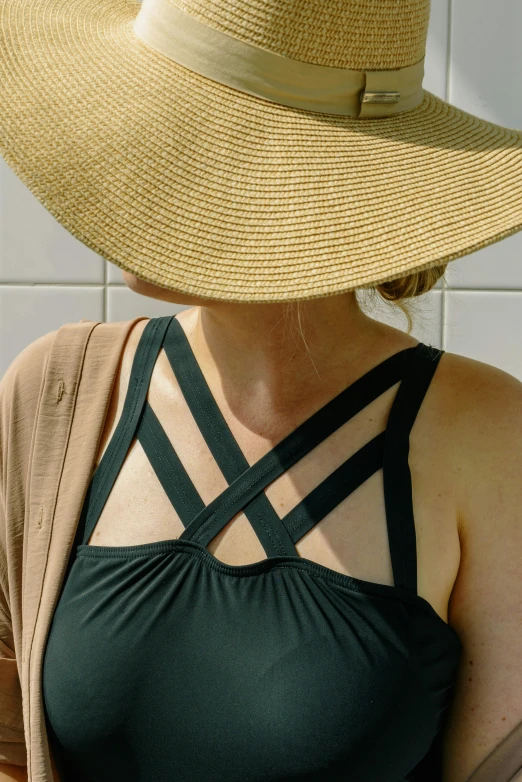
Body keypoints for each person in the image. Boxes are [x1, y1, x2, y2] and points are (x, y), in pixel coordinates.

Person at [0, 0, 521, 780]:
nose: (131, 158)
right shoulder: (56, 397)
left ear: (290, 177)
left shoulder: (490, 437)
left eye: (182, 132)